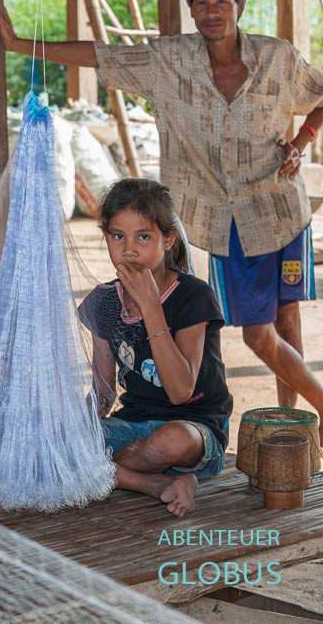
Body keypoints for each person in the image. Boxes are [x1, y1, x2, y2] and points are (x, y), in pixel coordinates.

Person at [0, 0, 323, 425]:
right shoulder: (169, 62)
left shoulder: (278, 58)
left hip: (281, 212)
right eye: (201, 2)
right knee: (258, 334)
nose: (211, 11)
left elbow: (320, 92)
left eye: (221, 1)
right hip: (227, 222)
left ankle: (291, 427)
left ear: (239, 6)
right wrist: (21, 45)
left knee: (287, 323)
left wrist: (302, 140)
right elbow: (102, 54)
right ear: (191, 10)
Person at [79, 179, 233, 518]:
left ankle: (99, 473)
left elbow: (180, 391)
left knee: (170, 442)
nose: (129, 249)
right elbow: (103, 392)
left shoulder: (193, 296)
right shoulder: (102, 302)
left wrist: (150, 306)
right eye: (118, 236)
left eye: (143, 237)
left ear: (168, 239)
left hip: (194, 427)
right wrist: (74, 429)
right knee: (59, 442)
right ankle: (158, 484)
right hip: (131, 425)